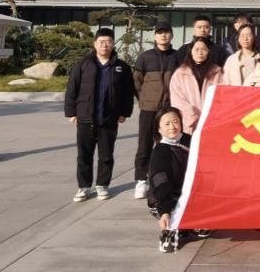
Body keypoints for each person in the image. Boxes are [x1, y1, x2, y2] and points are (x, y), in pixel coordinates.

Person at [64, 27, 135, 202]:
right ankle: (84, 187)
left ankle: (102, 185)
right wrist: (71, 112)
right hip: (86, 117)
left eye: (108, 42)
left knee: (106, 155)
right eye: (101, 42)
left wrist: (125, 112)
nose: (105, 45)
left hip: (109, 118)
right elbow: (72, 89)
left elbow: (128, 92)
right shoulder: (83, 64)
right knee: (84, 155)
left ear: (113, 44)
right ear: (94, 44)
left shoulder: (121, 67)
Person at [131, 20, 180, 200]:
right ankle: (141, 180)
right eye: (160, 32)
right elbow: (136, 83)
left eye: (166, 32)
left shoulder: (177, 56)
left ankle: (167, 179)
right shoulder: (145, 57)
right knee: (144, 145)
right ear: (155, 36)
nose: (163, 35)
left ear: (171, 35)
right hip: (148, 109)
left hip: (169, 110)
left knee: (168, 145)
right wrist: (144, 100)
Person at [147, 108, 192, 253]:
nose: (172, 127)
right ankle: (170, 232)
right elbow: (161, 184)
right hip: (166, 199)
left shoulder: (190, 140)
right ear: (159, 129)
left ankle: (187, 226)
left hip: (188, 194)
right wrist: (165, 211)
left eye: (175, 121)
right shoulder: (160, 152)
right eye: (167, 124)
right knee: (174, 225)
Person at [169, 36, 223, 135]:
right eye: (196, 49)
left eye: (203, 49)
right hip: (188, 124)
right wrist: (191, 114)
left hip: (211, 122)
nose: (200, 52)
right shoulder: (180, 73)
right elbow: (176, 99)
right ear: (191, 51)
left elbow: (222, 95)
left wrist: (211, 115)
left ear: (208, 51)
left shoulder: (217, 72)